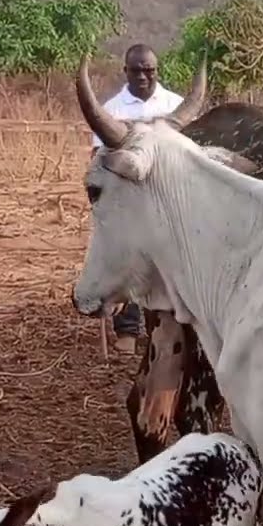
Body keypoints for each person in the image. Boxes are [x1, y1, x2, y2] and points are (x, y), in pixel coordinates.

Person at [90, 43, 184, 353]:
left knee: (171, 262)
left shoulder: (176, 105)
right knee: (127, 262)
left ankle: (170, 326)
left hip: (170, 199)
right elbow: (99, 159)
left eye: (149, 70)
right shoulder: (111, 110)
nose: (143, 76)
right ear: (125, 71)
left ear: (157, 70)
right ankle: (128, 332)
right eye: (136, 70)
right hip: (129, 202)